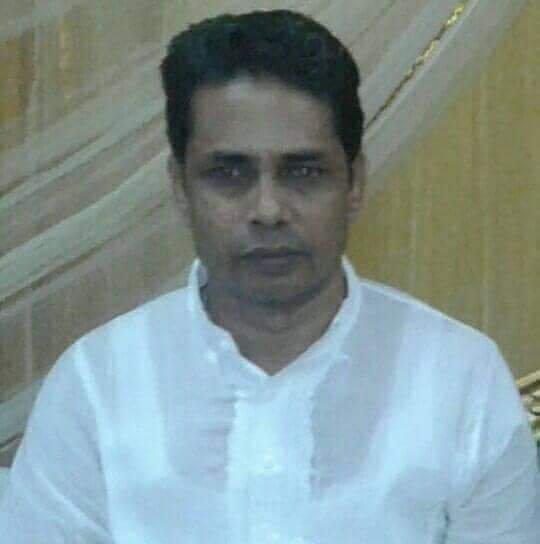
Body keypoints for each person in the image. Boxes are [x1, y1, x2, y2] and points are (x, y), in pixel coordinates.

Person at [0, 9, 538, 543]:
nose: (268, 210)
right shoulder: (98, 384)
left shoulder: (460, 380)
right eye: (229, 173)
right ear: (180, 188)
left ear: (354, 183)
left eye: (303, 172)